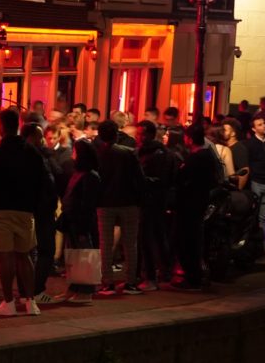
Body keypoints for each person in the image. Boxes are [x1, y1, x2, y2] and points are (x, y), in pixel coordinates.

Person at [0, 108, 43, 316]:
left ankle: (8, 302)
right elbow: (40, 181)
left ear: (2, 126)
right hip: (25, 210)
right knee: (25, 256)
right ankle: (30, 301)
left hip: (0, 209)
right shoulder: (32, 152)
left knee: (4, 257)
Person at [94, 120, 145, 296]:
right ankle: (130, 281)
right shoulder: (128, 153)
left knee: (105, 243)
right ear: (116, 134)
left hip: (105, 202)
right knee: (130, 243)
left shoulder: (98, 154)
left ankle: (107, 282)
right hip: (128, 201)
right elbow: (139, 179)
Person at [172, 124, 221, 291]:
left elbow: (181, 179)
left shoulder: (195, 159)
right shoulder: (208, 156)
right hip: (199, 203)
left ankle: (192, 277)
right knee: (195, 240)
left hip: (189, 206)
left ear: (190, 139)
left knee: (187, 241)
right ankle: (196, 275)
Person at [53, 140, 102, 305]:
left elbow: (87, 204)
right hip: (73, 220)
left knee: (84, 256)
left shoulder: (90, 175)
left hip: (81, 222)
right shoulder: (80, 173)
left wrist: (83, 227)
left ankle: (86, 291)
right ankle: (74, 288)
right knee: (74, 257)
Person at [137, 120, 176, 289]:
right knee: (159, 237)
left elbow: (162, 179)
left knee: (148, 238)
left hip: (152, 200)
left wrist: (142, 181)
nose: (140, 137)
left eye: (142, 134)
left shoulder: (157, 154)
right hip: (155, 200)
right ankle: (164, 272)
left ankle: (151, 276)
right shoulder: (159, 152)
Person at [22, 123, 58, 303]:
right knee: (46, 249)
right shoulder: (39, 157)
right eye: (38, 135)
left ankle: (25, 292)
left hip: (27, 208)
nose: (42, 139)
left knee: (26, 251)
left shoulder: (22, 155)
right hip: (41, 209)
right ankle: (35, 290)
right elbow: (52, 180)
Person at [245, 116, 265, 250]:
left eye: (264, 123)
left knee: (264, 216)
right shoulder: (250, 143)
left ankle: (262, 246)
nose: (264, 126)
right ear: (253, 129)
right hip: (256, 181)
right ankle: (252, 245)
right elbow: (250, 163)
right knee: (254, 215)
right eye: (260, 124)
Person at [222, 118, 248, 189]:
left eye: (225, 130)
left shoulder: (239, 149)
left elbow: (245, 171)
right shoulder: (226, 146)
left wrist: (238, 190)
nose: (222, 132)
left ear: (233, 133)